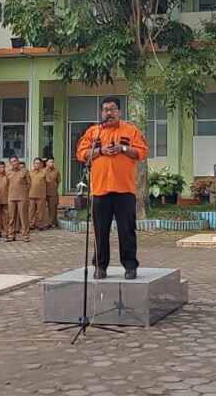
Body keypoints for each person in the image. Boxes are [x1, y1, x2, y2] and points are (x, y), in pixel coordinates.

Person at [75, 96, 148, 280]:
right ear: (102, 112)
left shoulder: (130, 130)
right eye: (106, 109)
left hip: (124, 190)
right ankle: (100, 266)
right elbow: (81, 153)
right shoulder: (94, 132)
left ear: (120, 111)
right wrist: (100, 151)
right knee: (100, 231)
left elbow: (142, 152)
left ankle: (130, 266)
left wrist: (123, 148)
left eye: (113, 109)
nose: (109, 112)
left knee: (127, 230)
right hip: (100, 190)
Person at [6, 156, 31, 242]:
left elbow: (29, 184)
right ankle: (11, 235)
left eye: (15, 161)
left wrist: (24, 192)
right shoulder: (8, 173)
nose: (14, 163)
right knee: (11, 217)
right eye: (12, 161)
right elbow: (6, 185)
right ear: (10, 163)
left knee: (23, 217)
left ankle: (25, 235)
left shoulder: (24, 171)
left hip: (22, 197)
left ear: (18, 161)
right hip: (11, 197)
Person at [29, 158, 49, 230]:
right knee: (31, 211)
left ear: (41, 164)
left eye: (38, 163)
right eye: (35, 163)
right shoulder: (30, 172)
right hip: (31, 194)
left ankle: (41, 224)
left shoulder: (44, 172)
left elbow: (48, 183)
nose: (36, 165)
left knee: (41, 211)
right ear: (33, 164)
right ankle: (31, 224)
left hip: (41, 195)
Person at [44, 157, 61, 229]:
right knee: (43, 208)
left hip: (53, 191)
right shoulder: (43, 171)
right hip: (43, 192)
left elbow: (58, 181)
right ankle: (44, 222)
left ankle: (52, 223)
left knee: (53, 208)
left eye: (53, 162)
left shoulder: (56, 171)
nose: (52, 163)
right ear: (46, 163)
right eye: (50, 162)